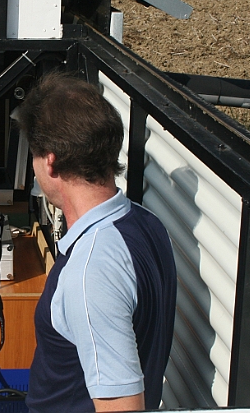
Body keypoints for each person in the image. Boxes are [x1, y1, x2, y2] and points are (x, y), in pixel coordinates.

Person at [15, 71, 177, 412]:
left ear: (50, 161)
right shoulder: (147, 224)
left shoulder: (91, 271)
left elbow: (122, 406)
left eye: (33, 155)